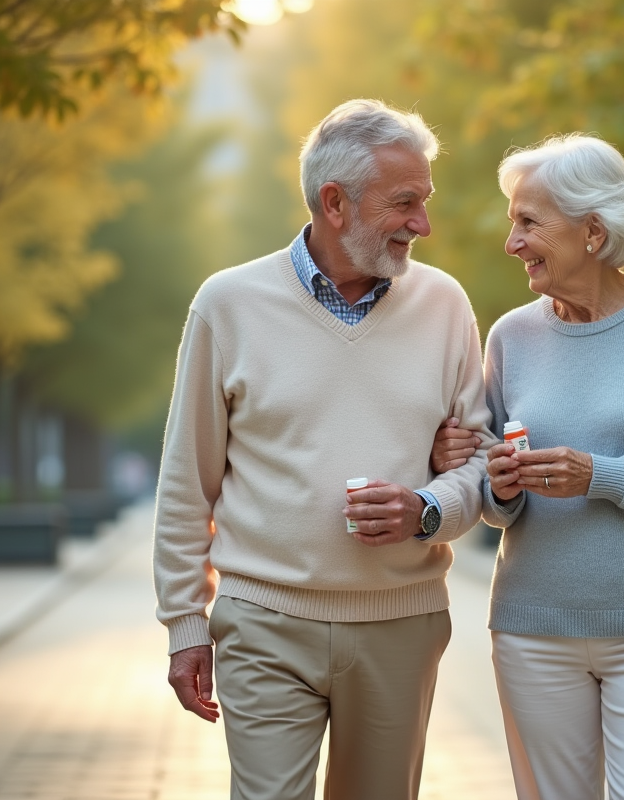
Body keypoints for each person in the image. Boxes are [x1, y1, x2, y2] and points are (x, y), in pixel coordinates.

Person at [153, 99, 492, 800]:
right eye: (404, 203)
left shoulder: (447, 305)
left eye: (425, 202)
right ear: (334, 203)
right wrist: (185, 622)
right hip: (263, 623)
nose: (423, 225)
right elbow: (189, 481)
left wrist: (426, 509)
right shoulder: (227, 304)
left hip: (401, 622)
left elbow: (483, 466)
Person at [432, 134, 624, 800]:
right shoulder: (510, 337)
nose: (511, 242)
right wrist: (500, 481)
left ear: (593, 231)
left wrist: (598, 476)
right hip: (533, 628)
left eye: (527, 222)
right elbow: (499, 499)